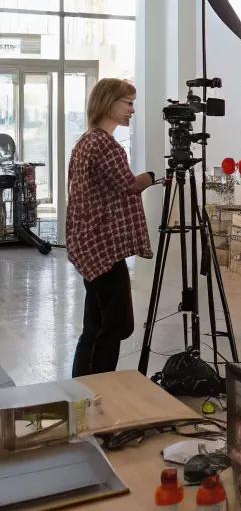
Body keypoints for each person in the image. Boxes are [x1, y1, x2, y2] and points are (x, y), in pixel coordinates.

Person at [66, 79, 161, 378]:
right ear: (109, 103)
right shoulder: (105, 145)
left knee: (96, 324)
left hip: (90, 244)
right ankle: (98, 390)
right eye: (128, 103)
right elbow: (128, 185)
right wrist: (153, 176)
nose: (132, 110)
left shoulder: (86, 141)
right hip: (102, 247)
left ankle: (83, 392)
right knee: (115, 324)